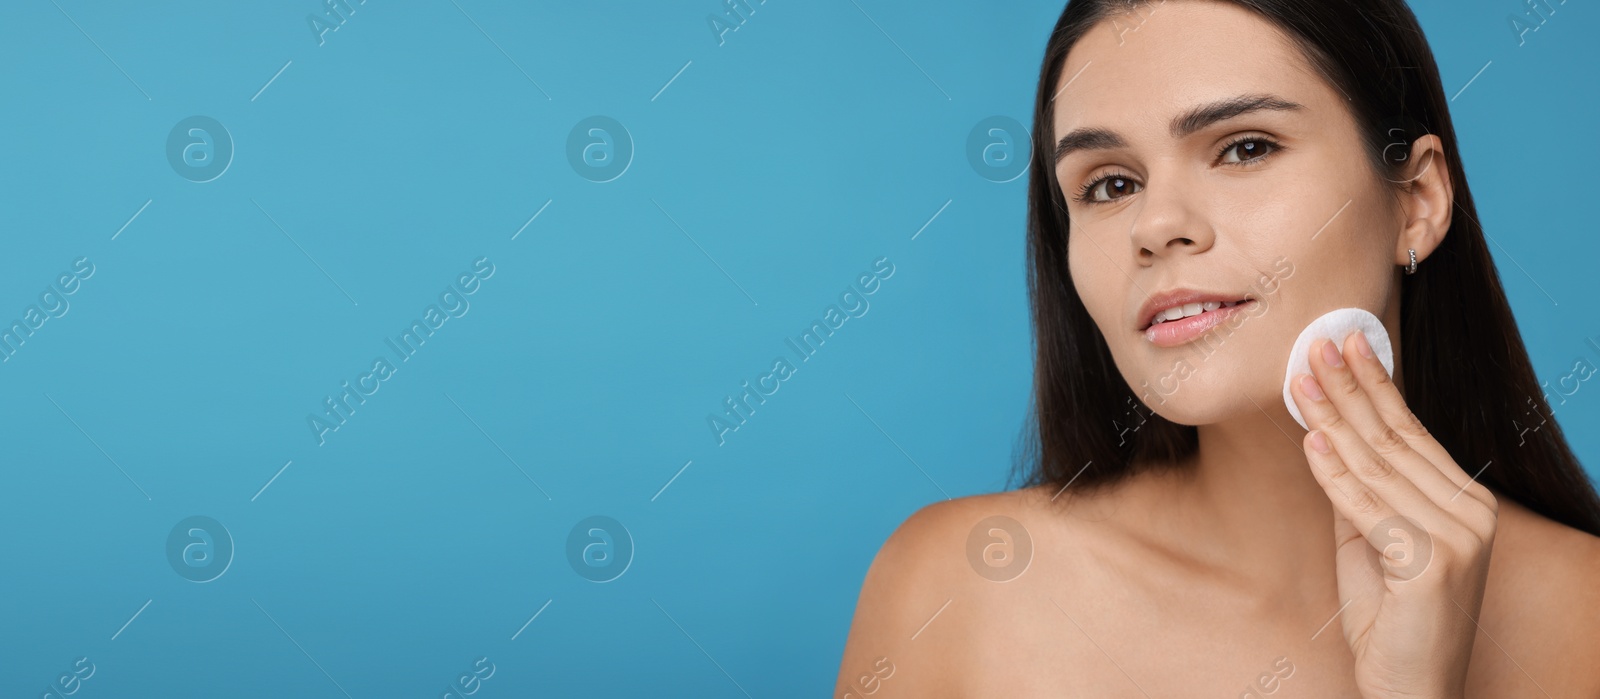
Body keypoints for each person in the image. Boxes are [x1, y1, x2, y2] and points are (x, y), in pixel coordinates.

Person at [834, 1, 1600, 696]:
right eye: (1108, 184)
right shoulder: (958, 590)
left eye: (1244, 148)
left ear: (1417, 201)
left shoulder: (1583, 619)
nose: (1156, 224)